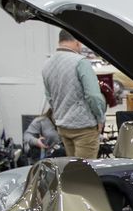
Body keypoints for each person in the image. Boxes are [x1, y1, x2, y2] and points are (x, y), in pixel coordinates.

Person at [42, 29, 106, 159]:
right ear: (77, 41)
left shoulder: (47, 64)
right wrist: (100, 118)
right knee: (85, 172)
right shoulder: (81, 62)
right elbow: (93, 95)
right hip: (84, 127)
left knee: (73, 170)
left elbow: (50, 98)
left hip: (63, 126)